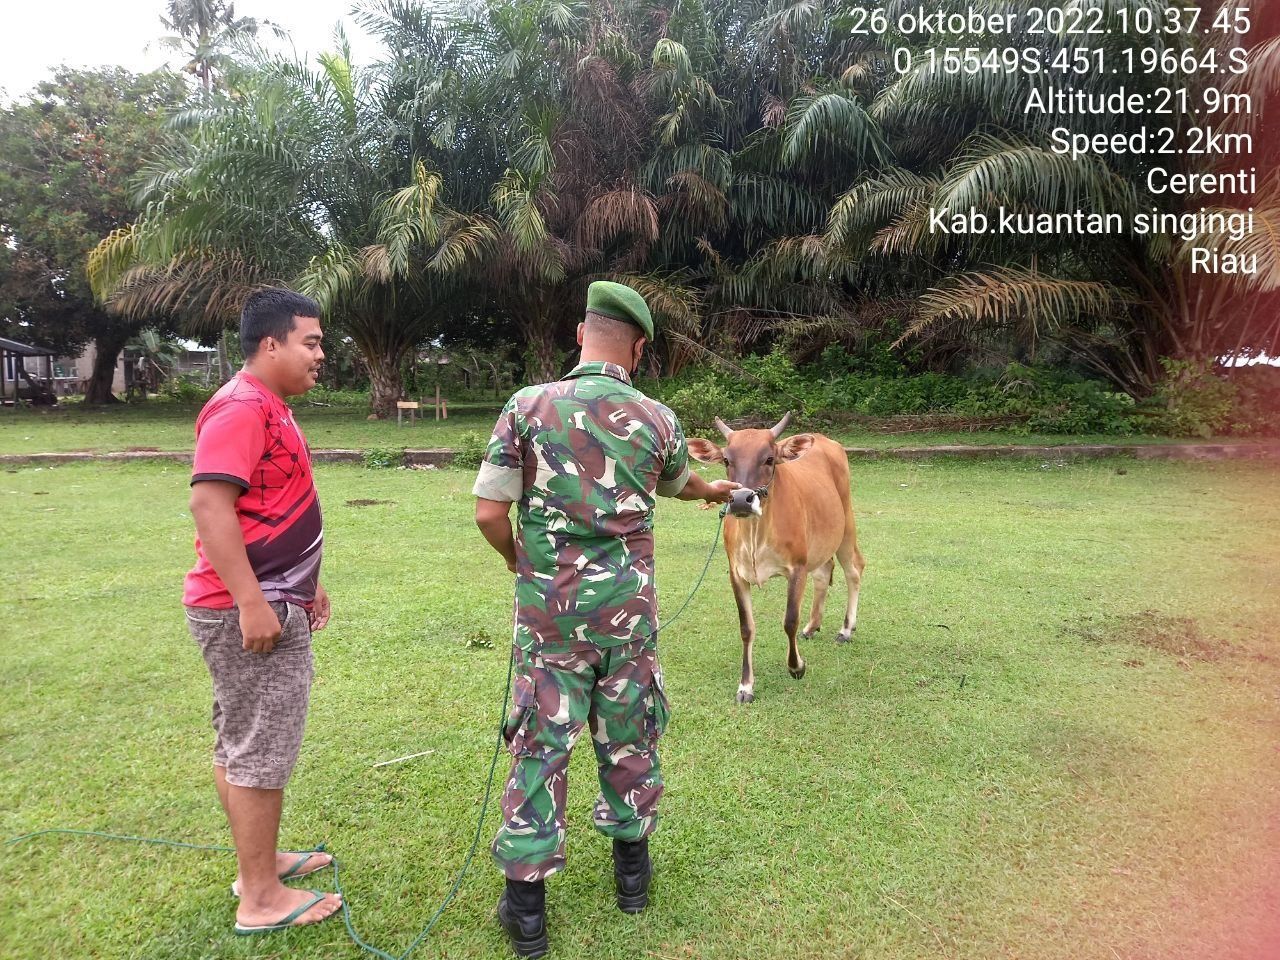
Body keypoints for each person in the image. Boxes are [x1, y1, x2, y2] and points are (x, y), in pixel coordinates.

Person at [473, 281, 739, 958]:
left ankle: (528, 915)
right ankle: (632, 881)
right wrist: (719, 491)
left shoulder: (526, 406)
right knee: (629, 734)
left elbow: (489, 512)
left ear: (579, 332)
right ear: (640, 347)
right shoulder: (657, 418)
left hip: (551, 615)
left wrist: (519, 564)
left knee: (543, 742)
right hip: (627, 616)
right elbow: (684, 485)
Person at [182, 288, 342, 936]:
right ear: (270, 344)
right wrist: (253, 601)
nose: (321, 354)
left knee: (240, 741)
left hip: (275, 596)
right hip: (250, 610)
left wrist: (311, 582)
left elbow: (273, 505)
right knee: (259, 749)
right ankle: (261, 896)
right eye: (311, 342)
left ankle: (260, 862)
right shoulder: (243, 407)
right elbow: (210, 506)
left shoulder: (268, 405)